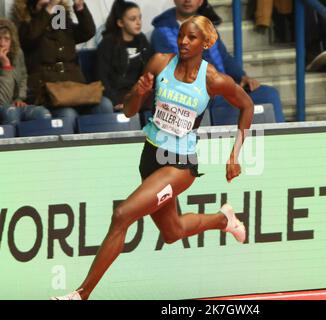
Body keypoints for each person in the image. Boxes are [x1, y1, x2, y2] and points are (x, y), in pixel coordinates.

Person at [52, 16, 254, 300]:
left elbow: (247, 106)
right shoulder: (160, 62)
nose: (183, 41)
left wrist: (235, 154)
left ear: (205, 43)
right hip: (150, 157)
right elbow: (129, 111)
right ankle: (223, 219)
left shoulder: (213, 80)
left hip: (180, 164)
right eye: (181, 35)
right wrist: (139, 92)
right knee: (173, 231)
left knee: (122, 215)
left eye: (192, 38)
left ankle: (80, 295)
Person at [151, 0, 285, 123]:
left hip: (221, 89)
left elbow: (225, 58)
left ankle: (281, 144)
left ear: (200, 1)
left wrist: (243, 77)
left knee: (269, 94)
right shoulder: (161, 32)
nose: (188, 0)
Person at [13, 0, 113, 130]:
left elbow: (87, 32)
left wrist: (79, 6)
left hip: (75, 86)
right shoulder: (26, 23)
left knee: (105, 104)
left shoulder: (60, 19)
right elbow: (29, 38)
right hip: (47, 91)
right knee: (68, 113)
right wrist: (47, 9)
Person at [97, 0, 153, 112]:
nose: (138, 23)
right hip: (116, 94)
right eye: (133, 19)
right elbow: (102, 78)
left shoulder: (142, 40)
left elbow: (149, 71)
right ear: (120, 23)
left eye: (139, 18)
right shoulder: (108, 44)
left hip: (138, 93)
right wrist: (115, 101)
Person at [0, 18, 51, 126]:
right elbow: (2, 101)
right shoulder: (5, 61)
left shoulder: (17, 53)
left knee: (42, 113)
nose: (2, 43)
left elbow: (23, 76)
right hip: (4, 105)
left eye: (6, 39)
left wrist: (19, 98)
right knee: (11, 113)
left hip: (13, 105)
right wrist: (6, 66)